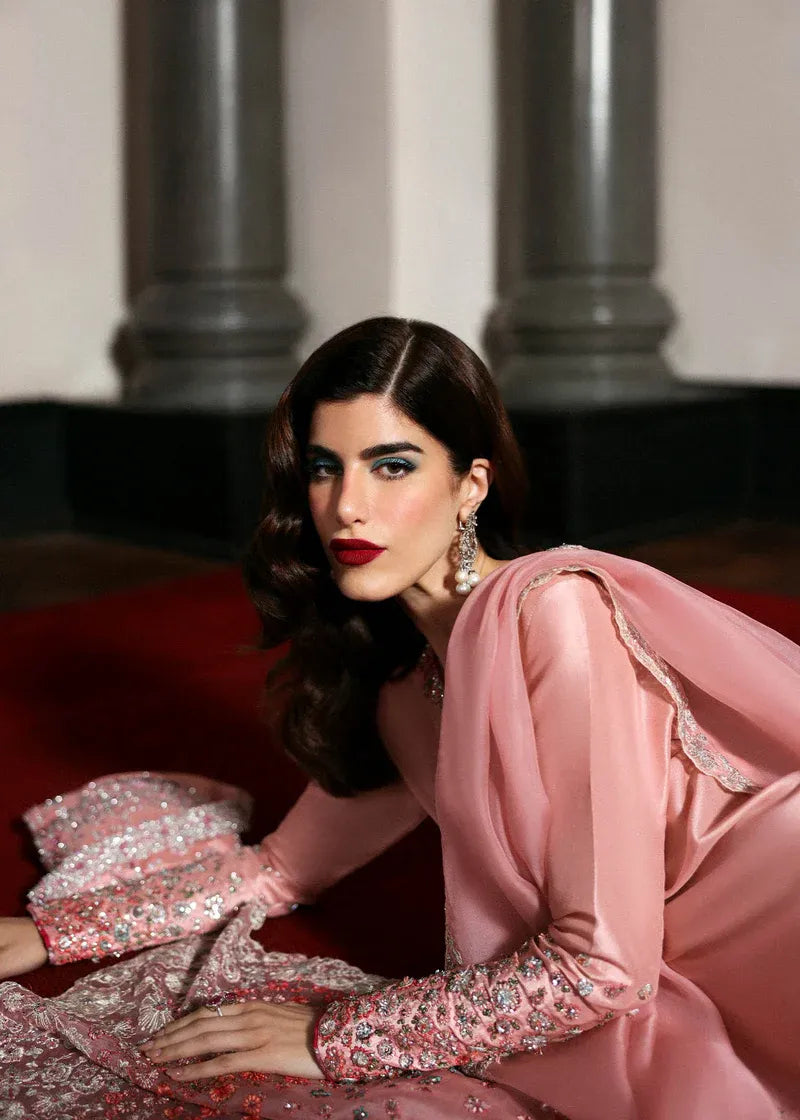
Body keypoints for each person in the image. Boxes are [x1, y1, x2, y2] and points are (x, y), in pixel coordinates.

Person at [1, 317, 799, 1120]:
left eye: (392, 466)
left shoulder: (555, 611)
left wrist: (335, 1037)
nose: (348, 506)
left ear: (471, 485)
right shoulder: (408, 695)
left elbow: (602, 968)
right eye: (325, 468)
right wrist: (56, 932)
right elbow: (281, 870)